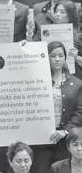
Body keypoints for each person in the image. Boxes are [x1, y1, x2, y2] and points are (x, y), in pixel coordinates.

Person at [32, 41, 82, 173]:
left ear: (65, 58)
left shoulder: (76, 83)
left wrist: (65, 131)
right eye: (53, 55)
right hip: (42, 138)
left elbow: (79, 111)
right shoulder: (36, 81)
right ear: (46, 57)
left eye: (61, 55)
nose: (57, 59)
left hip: (65, 139)